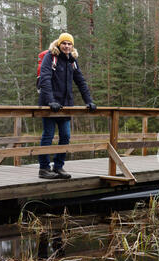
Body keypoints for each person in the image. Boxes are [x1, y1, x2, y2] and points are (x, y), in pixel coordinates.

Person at [38, 33, 96, 179]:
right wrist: (50, 101)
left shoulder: (72, 61)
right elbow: (45, 80)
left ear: (72, 46)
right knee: (48, 136)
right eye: (64, 43)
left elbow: (81, 82)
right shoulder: (50, 57)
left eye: (69, 44)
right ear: (59, 44)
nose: (67, 46)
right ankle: (44, 168)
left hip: (66, 106)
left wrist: (88, 101)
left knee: (66, 136)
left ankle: (58, 166)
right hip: (49, 105)